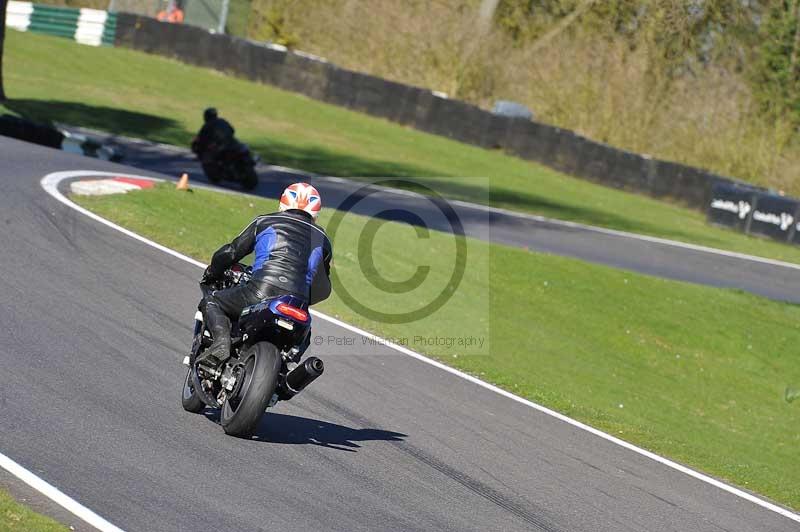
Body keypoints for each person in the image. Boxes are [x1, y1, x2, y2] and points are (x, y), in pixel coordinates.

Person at [198, 183, 332, 364]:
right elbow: (323, 288)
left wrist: (213, 272)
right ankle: (287, 371)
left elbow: (231, 252)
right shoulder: (323, 240)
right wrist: (304, 299)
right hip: (297, 302)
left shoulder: (265, 221)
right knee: (305, 333)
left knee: (212, 300)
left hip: (260, 291)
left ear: (283, 203)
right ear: (316, 212)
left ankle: (222, 342)